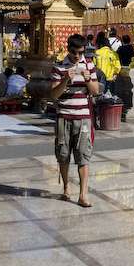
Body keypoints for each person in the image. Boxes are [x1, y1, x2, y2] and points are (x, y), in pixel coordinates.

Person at [50, 33, 99, 206]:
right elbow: (54, 94)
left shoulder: (89, 65)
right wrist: (66, 79)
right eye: (73, 52)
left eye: (80, 52)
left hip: (83, 116)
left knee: (83, 156)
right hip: (64, 115)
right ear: (68, 50)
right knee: (63, 154)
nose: (77, 56)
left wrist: (87, 80)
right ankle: (66, 187)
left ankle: (83, 194)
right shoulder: (59, 67)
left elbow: (95, 91)